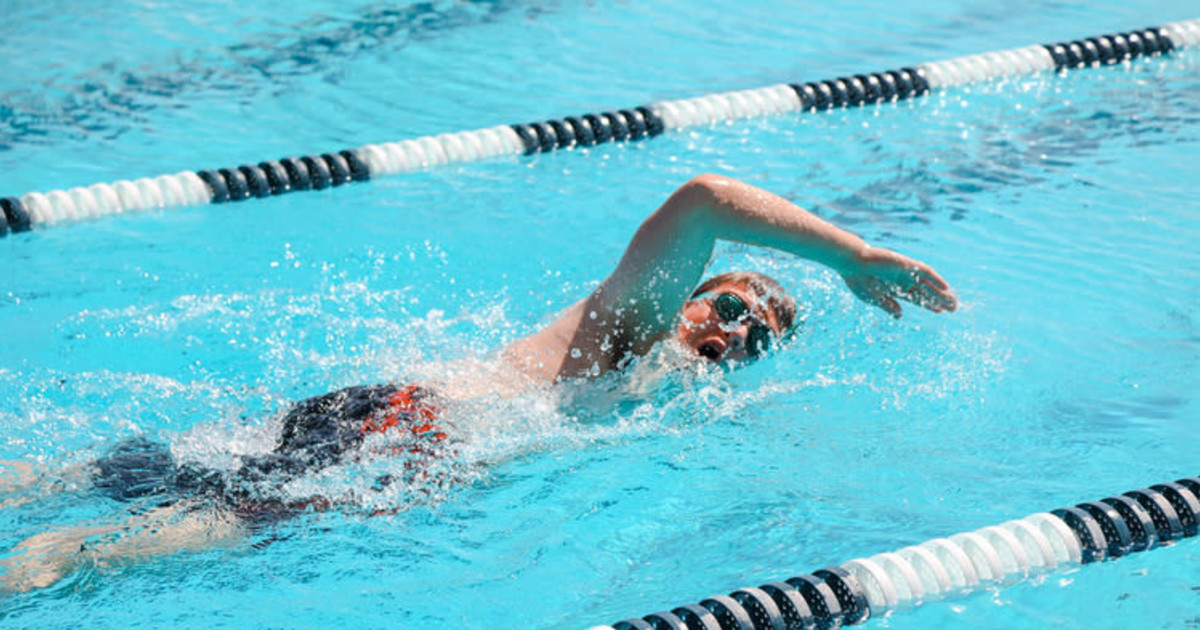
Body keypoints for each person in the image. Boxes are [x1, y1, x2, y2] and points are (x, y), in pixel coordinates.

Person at [0, 174, 955, 592]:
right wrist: (850, 256)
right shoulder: (634, 333)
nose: (741, 333)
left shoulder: (674, 398)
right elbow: (704, 200)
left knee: (116, 473)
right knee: (102, 550)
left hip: (384, 419)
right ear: (692, 294)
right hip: (403, 432)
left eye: (762, 339)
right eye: (737, 305)